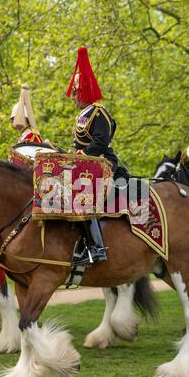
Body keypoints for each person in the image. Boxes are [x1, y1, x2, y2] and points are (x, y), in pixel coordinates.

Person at [66, 46, 118, 265]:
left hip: (102, 162)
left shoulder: (99, 112)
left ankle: (97, 248)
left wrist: (82, 154)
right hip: (85, 163)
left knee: (82, 195)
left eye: (77, 92)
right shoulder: (83, 114)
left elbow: (100, 141)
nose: (74, 97)